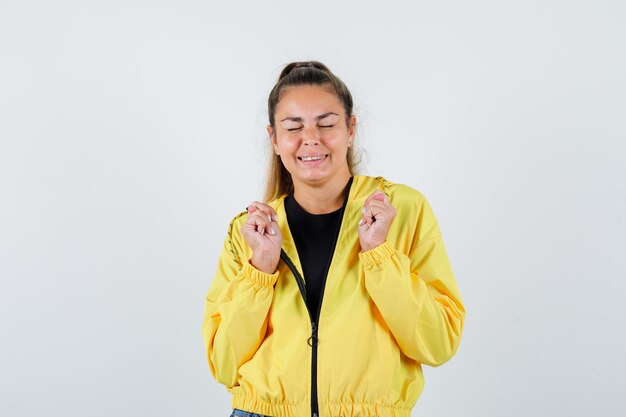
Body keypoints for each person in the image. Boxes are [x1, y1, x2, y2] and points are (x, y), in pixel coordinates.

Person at [201, 61, 465, 417]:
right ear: (274, 139)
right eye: (293, 127)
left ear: (351, 128)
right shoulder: (248, 231)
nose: (311, 138)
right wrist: (260, 270)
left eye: (326, 124)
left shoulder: (401, 210)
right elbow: (224, 363)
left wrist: (380, 255)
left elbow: (438, 343)